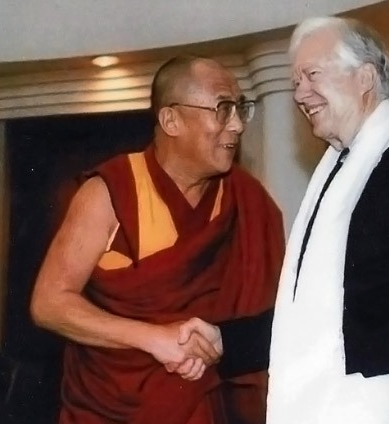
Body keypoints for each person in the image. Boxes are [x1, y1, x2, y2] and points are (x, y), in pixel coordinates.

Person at [180, 16, 389, 424]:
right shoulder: (334, 172)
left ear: (365, 78)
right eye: (295, 82)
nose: (300, 94)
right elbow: (322, 316)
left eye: (312, 75)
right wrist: (225, 340)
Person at [29, 56, 285, 424]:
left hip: (203, 399)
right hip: (108, 405)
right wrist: (154, 338)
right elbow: (49, 303)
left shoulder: (245, 199)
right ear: (171, 120)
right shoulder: (110, 191)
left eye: (240, 108)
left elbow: (270, 315)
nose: (237, 125)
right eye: (223, 109)